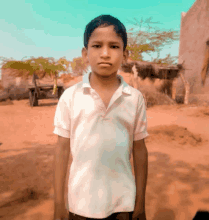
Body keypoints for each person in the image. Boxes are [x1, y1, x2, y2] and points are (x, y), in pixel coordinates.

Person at [53, 14, 149, 220]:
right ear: (85, 54)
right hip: (80, 205)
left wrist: (140, 202)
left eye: (114, 46)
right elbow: (61, 149)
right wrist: (59, 203)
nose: (105, 54)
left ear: (125, 55)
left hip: (123, 203)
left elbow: (140, 151)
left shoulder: (135, 98)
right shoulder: (70, 97)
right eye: (97, 46)